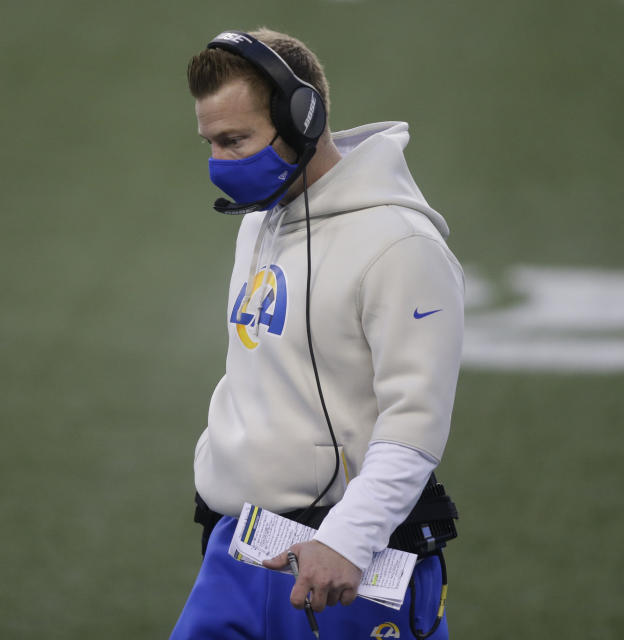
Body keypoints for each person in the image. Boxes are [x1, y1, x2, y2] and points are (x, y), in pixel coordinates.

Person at [170, 27, 464, 640]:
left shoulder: (401, 246)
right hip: (239, 550)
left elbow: (414, 425)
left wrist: (347, 541)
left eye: (235, 141)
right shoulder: (261, 224)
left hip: (341, 568)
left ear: (303, 119)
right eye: (210, 144)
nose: (219, 165)